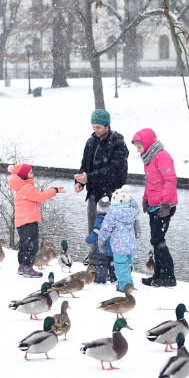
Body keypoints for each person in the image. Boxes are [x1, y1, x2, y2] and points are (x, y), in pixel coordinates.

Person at [74, 109, 129, 266]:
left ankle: (112, 262)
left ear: (107, 126)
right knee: (93, 228)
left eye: (98, 127)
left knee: (111, 230)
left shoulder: (118, 144)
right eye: (93, 127)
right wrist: (80, 181)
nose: (95, 130)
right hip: (93, 193)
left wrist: (89, 177)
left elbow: (114, 170)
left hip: (112, 195)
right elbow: (84, 165)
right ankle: (95, 259)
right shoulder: (90, 142)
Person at [131, 128, 178, 287]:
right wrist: (145, 199)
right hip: (153, 205)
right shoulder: (148, 158)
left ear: (147, 143)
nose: (138, 150)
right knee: (155, 240)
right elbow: (151, 182)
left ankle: (168, 276)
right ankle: (159, 275)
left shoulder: (162, 156)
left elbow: (170, 180)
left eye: (139, 146)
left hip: (164, 206)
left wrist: (165, 203)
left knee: (158, 239)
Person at [7, 163, 66, 278]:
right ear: (24, 175)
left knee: (24, 244)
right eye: (30, 172)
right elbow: (41, 196)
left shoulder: (21, 187)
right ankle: (28, 267)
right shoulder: (26, 188)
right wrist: (54, 190)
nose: (33, 174)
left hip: (22, 222)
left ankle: (23, 266)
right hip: (29, 221)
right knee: (32, 245)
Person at [97, 185, 141, 292]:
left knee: (120, 266)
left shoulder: (112, 213)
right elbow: (137, 207)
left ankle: (125, 286)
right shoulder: (132, 210)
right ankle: (126, 282)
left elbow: (105, 229)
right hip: (131, 245)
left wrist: (101, 240)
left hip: (119, 246)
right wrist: (129, 196)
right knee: (127, 264)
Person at [84, 196, 116, 284]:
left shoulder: (99, 220)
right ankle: (114, 278)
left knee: (102, 264)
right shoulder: (114, 219)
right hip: (114, 247)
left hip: (103, 248)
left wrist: (88, 240)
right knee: (113, 264)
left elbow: (95, 233)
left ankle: (101, 279)